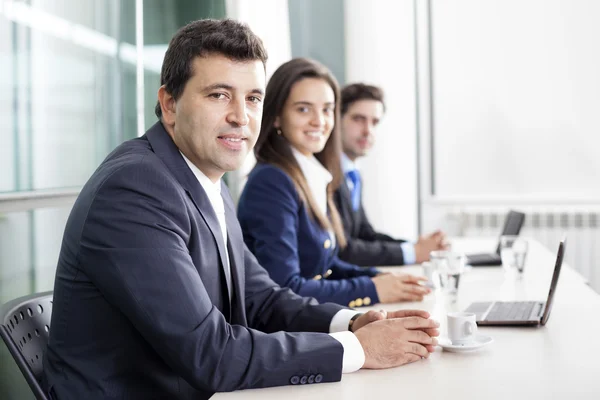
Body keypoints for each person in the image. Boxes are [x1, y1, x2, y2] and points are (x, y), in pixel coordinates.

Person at [41, 20, 439, 400]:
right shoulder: (135, 189)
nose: (241, 116)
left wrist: (349, 322)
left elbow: (261, 297)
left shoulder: (204, 176)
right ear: (169, 104)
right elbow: (210, 352)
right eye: (218, 95)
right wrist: (357, 350)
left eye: (252, 98)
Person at [237, 58, 431, 308]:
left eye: (327, 109)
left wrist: (378, 277)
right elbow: (285, 287)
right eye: (303, 109)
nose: (319, 121)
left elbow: (325, 265)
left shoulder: (311, 174)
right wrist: (372, 288)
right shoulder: (271, 181)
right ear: (276, 117)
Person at [335, 83, 447, 267]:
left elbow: (365, 235)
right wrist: (414, 252)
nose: (367, 131)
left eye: (374, 122)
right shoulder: (323, 174)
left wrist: (418, 247)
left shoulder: (352, 174)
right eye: (358, 119)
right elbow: (342, 248)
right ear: (337, 119)